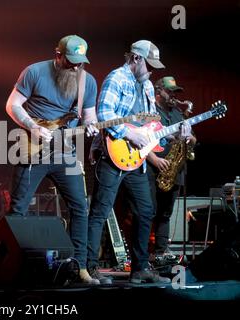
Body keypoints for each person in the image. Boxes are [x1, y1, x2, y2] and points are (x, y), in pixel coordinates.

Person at [5, 35, 100, 284]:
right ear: (58, 55)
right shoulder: (34, 71)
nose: (76, 67)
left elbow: (90, 116)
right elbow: (12, 105)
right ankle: (13, 267)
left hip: (64, 152)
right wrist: (31, 126)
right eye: (71, 62)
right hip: (33, 148)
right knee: (18, 210)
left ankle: (78, 267)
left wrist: (91, 127)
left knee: (80, 207)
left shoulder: (87, 82)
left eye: (80, 63)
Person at [87, 40, 172, 284]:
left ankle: (140, 269)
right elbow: (104, 115)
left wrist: (175, 131)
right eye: (149, 64)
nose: (152, 71)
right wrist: (129, 133)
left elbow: (150, 121)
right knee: (100, 213)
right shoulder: (116, 78)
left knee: (145, 211)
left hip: (136, 160)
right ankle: (90, 269)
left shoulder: (145, 85)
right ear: (135, 59)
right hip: (113, 156)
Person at [147, 76, 196, 264]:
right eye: (170, 91)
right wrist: (156, 160)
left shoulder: (178, 114)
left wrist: (188, 138)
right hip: (153, 168)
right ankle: (143, 255)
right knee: (148, 212)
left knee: (165, 214)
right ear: (158, 92)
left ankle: (159, 253)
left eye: (176, 92)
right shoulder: (151, 113)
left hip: (175, 170)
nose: (174, 95)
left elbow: (193, 139)